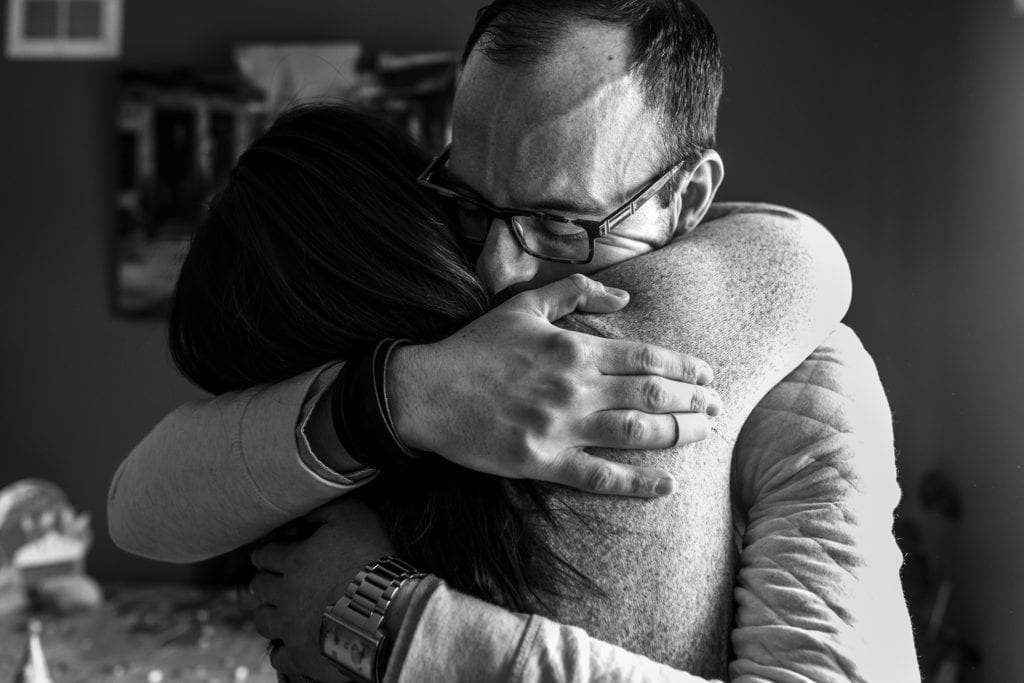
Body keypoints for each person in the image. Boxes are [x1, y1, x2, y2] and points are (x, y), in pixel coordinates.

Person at [109, 0, 918, 680]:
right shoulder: (419, 325)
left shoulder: (811, 378)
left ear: (687, 197)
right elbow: (141, 508)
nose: (496, 269)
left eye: (558, 222)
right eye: (464, 201)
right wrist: (401, 395)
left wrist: (399, 621)